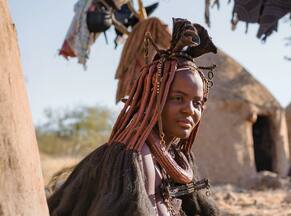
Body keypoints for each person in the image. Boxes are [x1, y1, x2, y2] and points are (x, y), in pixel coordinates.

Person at [48, 18, 219, 216]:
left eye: (197, 103)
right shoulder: (137, 156)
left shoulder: (177, 156)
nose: (189, 110)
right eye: (178, 98)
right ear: (154, 99)